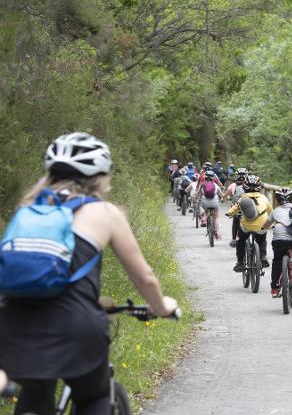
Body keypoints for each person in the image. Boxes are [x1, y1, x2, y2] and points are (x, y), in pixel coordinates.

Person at [0, 132, 178, 414]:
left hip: (13, 322)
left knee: (34, 393)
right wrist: (162, 306)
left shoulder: (29, 211)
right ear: (100, 177)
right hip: (76, 326)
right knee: (93, 396)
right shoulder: (104, 213)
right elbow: (144, 277)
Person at [226, 175, 272, 272]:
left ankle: (240, 262)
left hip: (246, 226)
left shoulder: (242, 198)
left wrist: (228, 213)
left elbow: (233, 210)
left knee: (241, 240)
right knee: (262, 239)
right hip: (261, 225)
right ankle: (263, 256)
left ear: (244, 187)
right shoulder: (264, 198)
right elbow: (271, 211)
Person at [222, 168, 248, 248]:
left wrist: (222, 199)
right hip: (247, 208)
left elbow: (224, 196)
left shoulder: (233, 185)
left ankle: (233, 239)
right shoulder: (249, 185)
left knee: (235, 222)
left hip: (236, 208)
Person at [197, 170, 224, 235]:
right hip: (214, 203)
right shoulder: (215, 185)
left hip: (205, 203)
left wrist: (196, 199)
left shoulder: (202, 184)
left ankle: (204, 218)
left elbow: (197, 193)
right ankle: (218, 233)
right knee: (216, 218)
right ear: (213, 178)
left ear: (205, 177)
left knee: (205, 210)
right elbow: (222, 195)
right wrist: (224, 198)